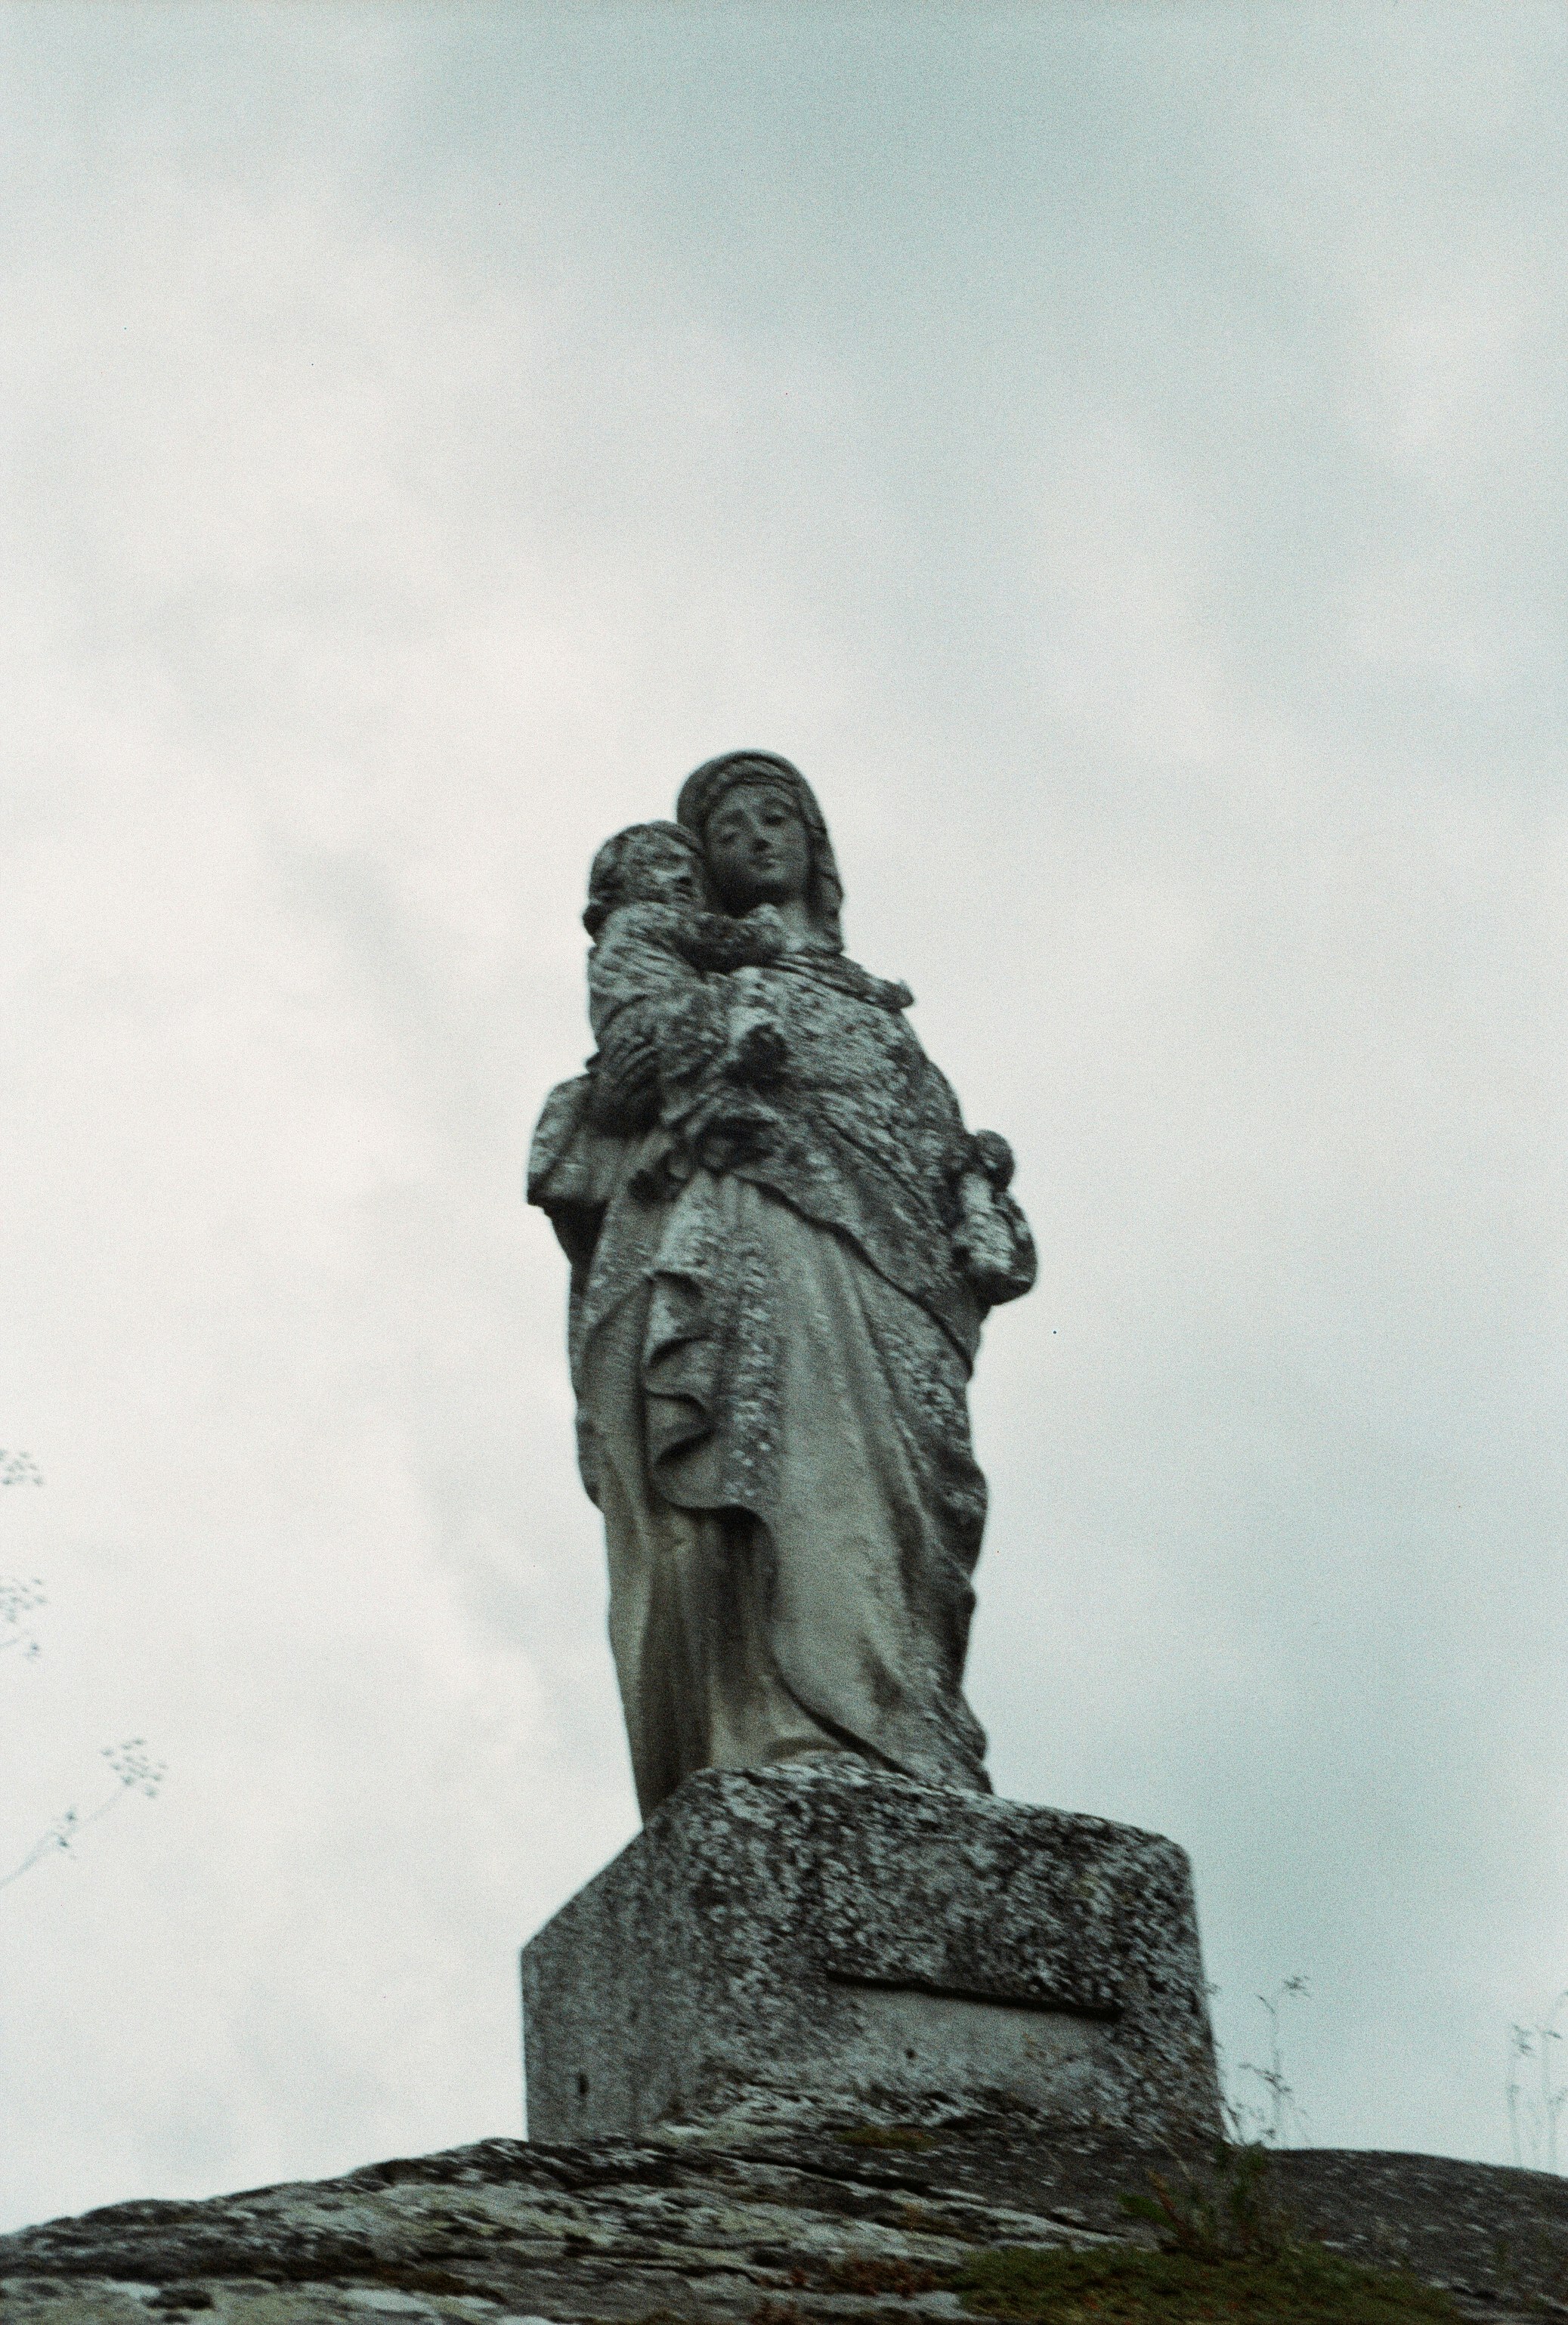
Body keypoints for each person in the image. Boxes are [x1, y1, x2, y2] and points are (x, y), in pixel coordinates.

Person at [530, 753, 1035, 1818]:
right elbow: (626, 1068)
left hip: (903, 1285)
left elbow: (941, 1150)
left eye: (779, 815)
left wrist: (978, 1192)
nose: (759, 835)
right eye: (731, 826)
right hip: (763, 1231)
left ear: (817, 844)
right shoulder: (703, 972)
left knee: (913, 1505)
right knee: (786, 1461)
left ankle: (912, 1731)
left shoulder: (883, 1015)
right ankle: (789, 1724)